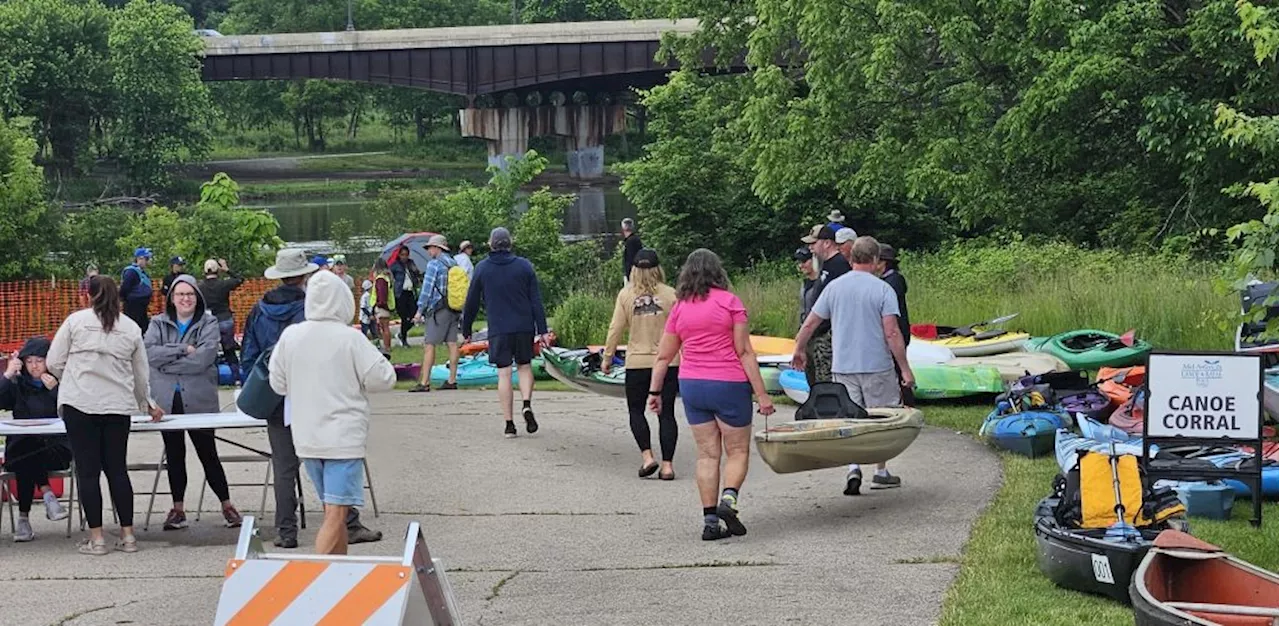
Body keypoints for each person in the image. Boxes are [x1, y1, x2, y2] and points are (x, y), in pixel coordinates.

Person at [241, 249, 383, 549]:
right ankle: (348, 522)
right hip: (314, 397)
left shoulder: (258, 309)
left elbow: (249, 355)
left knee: (283, 466)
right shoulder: (313, 311)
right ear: (304, 276)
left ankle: (285, 530)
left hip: (276, 395)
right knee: (332, 460)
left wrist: (261, 384)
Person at [646, 249, 775, 541]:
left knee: (706, 454)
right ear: (719, 272)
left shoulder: (680, 308)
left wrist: (655, 391)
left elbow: (663, 356)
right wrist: (762, 395)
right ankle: (728, 501)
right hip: (728, 384)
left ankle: (710, 523)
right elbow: (744, 351)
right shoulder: (731, 303)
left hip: (693, 384)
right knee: (738, 451)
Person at [269, 271, 397, 555]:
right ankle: (318, 582)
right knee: (336, 515)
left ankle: (338, 575)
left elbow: (277, 383)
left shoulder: (291, 337)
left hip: (307, 438)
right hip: (343, 440)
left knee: (333, 509)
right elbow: (384, 378)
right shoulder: (349, 339)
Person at [47, 275, 161, 556]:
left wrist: (71, 379)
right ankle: (129, 535)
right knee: (117, 470)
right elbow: (140, 373)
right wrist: (146, 401)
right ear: (118, 297)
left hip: (80, 403)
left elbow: (53, 361)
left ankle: (97, 539)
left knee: (88, 472)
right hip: (117, 405)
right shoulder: (131, 327)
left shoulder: (75, 321)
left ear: (89, 295)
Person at [792, 236, 915, 496]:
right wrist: (904, 368)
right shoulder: (883, 289)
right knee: (880, 417)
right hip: (876, 365)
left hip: (843, 365)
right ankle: (880, 471)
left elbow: (811, 322)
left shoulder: (835, 287)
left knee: (850, 416)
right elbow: (892, 332)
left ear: (851, 258)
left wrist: (799, 348)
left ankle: (853, 466)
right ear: (874, 260)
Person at [145, 275, 243, 531]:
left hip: (199, 399)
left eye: (190, 294)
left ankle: (227, 504)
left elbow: (204, 358)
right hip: (168, 400)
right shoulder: (157, 323)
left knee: (207, 452)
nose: (185, 299)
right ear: (172, 299)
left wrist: (168, 360)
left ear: (197, 297)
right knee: (174, 455)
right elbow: (148, 354)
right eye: (180, 295)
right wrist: (182, 349)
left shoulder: (209, 322)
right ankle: (178, 509)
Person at [461, 227, 550, 438]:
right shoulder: (524, 266)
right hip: (523, 326)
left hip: (499, 328)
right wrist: (543, 330)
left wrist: (466, 330)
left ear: (491, 244)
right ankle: (526, 403)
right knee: (525, 366)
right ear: (510, 243)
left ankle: (509, 424)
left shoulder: (482, 269)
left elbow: (471, 303)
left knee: (504, 373)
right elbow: (536, 301)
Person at [602, 248, 680, 481]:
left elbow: (615, 329)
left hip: (637, 362)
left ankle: (647, 456)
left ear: (634, 270)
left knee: (636, 411)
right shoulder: (671, 295)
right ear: (658, 269)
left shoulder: (625, 296)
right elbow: (682, 328)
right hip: (667, 362)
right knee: (666, 414)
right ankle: (667, 466)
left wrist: (607, 357)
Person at [0, 337, 72, 542]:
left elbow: (74, 412)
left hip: (55, 449)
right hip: (22, 449)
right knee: (27, 448)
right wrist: (7, 374)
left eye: (39, 361)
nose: (34, 366)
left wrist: (56, 391)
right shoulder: (17, 385)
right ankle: (47, 494)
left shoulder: (60, 382)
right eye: (29, 361)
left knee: (28, 453)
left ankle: (24, 520)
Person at [799, 225, 850, 386]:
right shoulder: (825, 266)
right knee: (815, 379)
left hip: (828, 334)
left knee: (826, 381)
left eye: (814, 243)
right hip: (817, 333)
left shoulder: (839, 266)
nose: (811, 248)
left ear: (827, 243)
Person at [410, 235, 461, 393]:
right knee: (452, 343)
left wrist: (419, 311)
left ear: (438, 248)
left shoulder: (434, 264)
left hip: (438, 309)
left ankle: (424, 382)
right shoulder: (453, 263)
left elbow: (427, 289)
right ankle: (452, 380)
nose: (429, 251)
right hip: (453, 307)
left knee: (429, 344)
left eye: (430, 247)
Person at [199, 258, 245, 384]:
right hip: (225, 319)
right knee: (229, 351)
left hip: (209, 322)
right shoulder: (223, 284)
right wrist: (227, 270)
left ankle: (211, 381)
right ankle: (236, 379)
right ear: (217, 271)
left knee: (210, 353)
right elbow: (240, 279)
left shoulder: (200, 287)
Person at [390, 247, 422, 347]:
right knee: (404, 317)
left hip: (410, 292)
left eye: (406, 254)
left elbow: (417, 274)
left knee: (414, 315)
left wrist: (415, 271)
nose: (404, 257)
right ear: (399, 255)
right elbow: (391, 277)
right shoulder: (395, 265)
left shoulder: (410, 263)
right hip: (400, 293)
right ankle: (404, 339)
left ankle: (401, 333)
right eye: (402, 254)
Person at [120, 247, 154, 333]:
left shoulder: (142, 272)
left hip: (142, 307)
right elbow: (124, 288)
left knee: (144, 329)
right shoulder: (131, 272)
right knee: (134, 330)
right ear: (139, 259)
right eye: (147, 259)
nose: (148, 261)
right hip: (133, 308)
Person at [370, 257, 395, 357]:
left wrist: (379, 304)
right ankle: (386, 346)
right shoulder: (386, 277)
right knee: (385, 327)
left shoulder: (380, 279)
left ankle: (386, 347)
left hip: (382, 306)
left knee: (384, 328)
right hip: (386, 306)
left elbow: (381, 293)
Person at [794, 247, 819, 327]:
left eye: (804, 261)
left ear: (814, 260)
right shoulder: (804, 284)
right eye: (799, 262)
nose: (801, 265)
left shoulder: (822, 284)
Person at [620, 218, 643, 283]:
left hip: (632, 275)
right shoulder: (636, 239)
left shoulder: (630, 242)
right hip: (639, 273)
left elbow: (630, 260)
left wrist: (628, 276)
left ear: (623, 228)